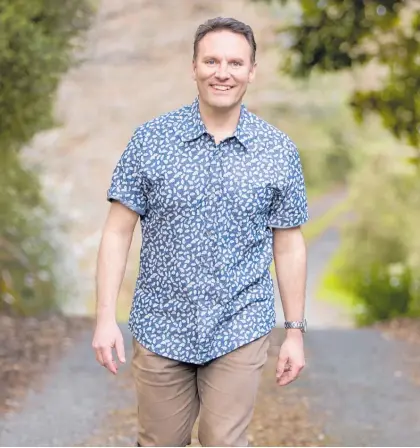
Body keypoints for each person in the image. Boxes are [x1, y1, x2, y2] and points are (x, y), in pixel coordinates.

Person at [92, 16, 309, 447]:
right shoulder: (151, 141)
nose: (222, 72)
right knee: (159, 442)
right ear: (194, 67)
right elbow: (117, 232)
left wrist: (294, 333)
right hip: (161, 324)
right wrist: (105, 319)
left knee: (223, 441)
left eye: (234, 62)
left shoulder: (278, 151)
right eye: (211, 60)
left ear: (251, 71)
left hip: (239, 324)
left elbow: (288, 245)